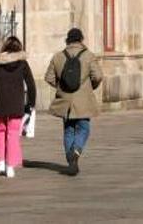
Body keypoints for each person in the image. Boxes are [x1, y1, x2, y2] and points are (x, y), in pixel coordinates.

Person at [45, 28, 103, 176]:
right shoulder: (89, 56)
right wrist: (91, 87)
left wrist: (61, 87)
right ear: (81, 40)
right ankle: (75, 153)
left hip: (65, 101)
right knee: (84, 127)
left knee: (68, 129)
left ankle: (71, 160)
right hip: (83, 99)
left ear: (68, 40)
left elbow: (49, 77)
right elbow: (98, 76)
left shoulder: (58, 57)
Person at [0, 36, 36, 178]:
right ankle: (10, 166)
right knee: (13, 134)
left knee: (0, 132)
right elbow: (31, 84)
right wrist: (31, 103)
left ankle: (1, 162)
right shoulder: (22, 63)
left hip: (1, 103)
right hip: (16, 103)